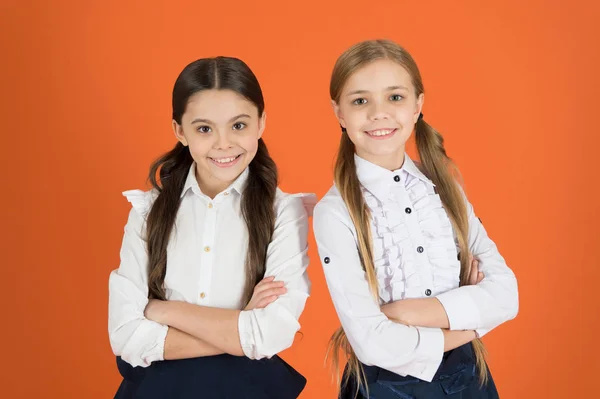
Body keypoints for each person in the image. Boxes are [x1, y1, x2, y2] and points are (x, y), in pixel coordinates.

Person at [313, 39, 519, 398]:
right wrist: (469, 326)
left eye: (395, 97)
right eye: (360, 101)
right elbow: (372, 343)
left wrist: (405, 312)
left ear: (417, 106)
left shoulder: (445, 187)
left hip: (469, 379)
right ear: (339, 113)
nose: (379, 113)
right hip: (384, 388)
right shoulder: (335, 212)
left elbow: (506, 296)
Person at [108, 56, 315, 398]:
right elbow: (126, 336)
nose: (223, 144)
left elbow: (269, 334)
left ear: (261, 123)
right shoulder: (148, 211)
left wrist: (163, 310)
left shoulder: (283, 212)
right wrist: (238, 324)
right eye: (204, 128)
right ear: (180, 131)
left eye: (239, 125)